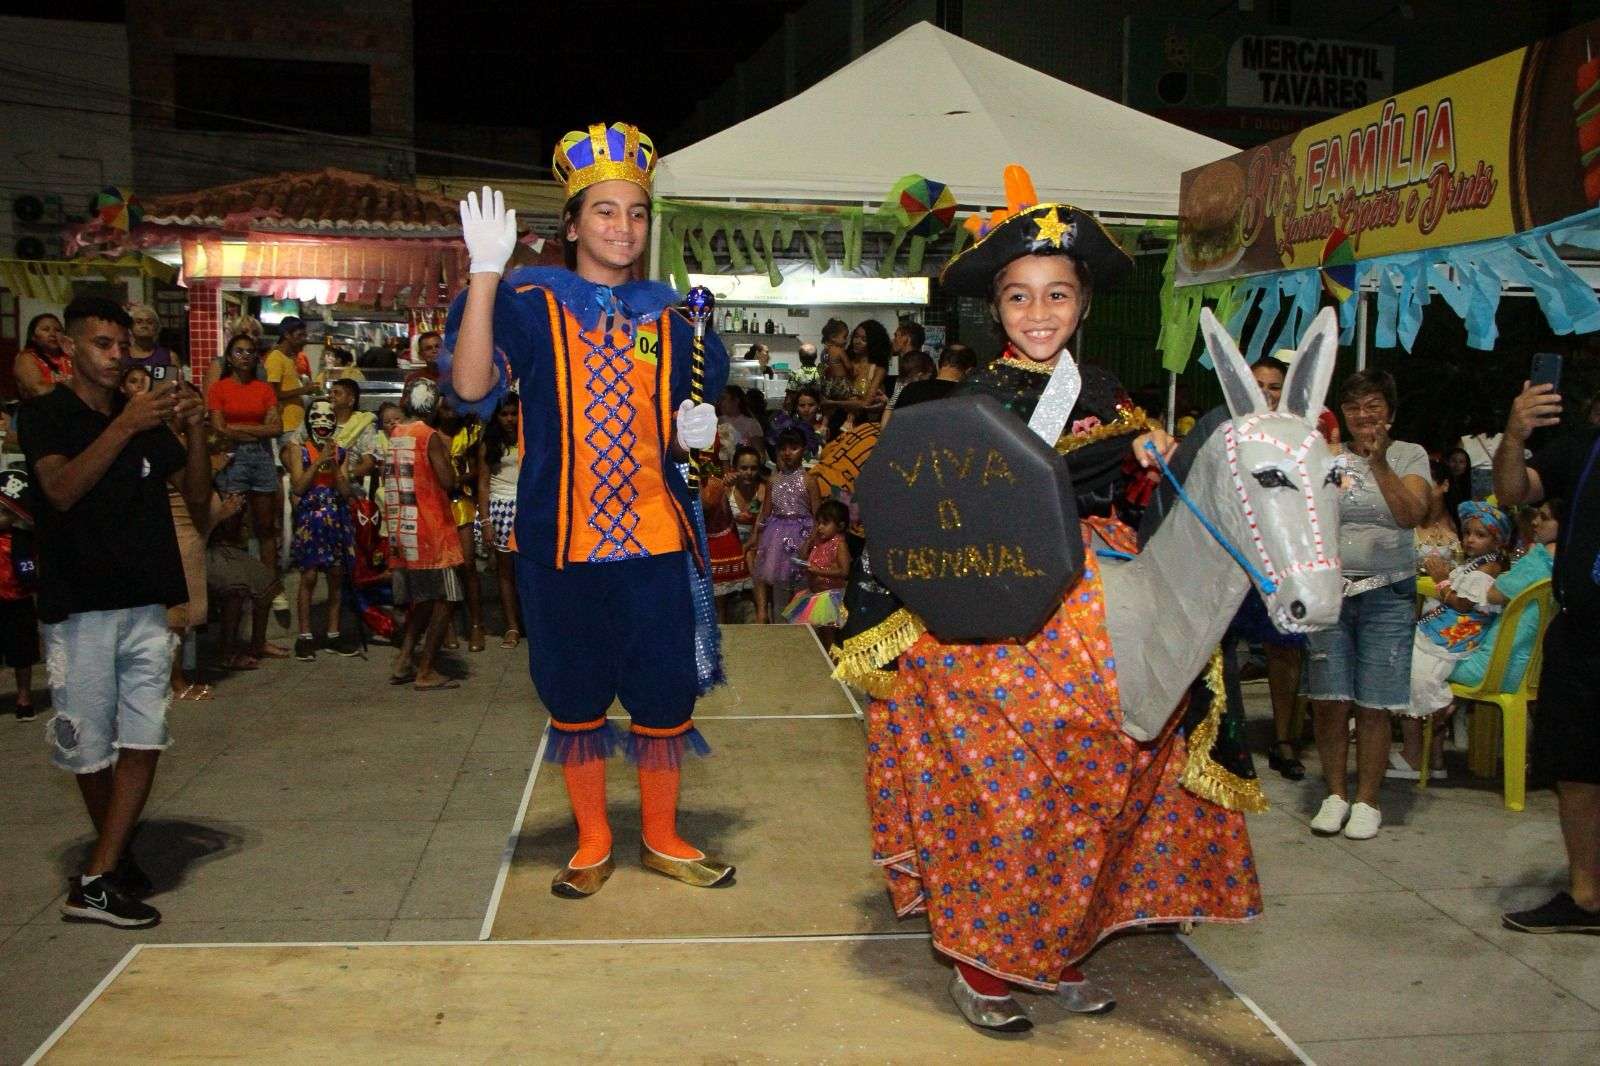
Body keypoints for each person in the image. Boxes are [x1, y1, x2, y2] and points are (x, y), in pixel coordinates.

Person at [840, 174, 1238, 1032]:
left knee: (1108, 786)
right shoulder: (967, 401)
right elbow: (927, 514)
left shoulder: (1109, 392)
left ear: (1082, 302)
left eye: (1057, 293)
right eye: (1019, 296)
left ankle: (1058, 947)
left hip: (1106, 589)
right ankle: (981, 965)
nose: (1039, 312)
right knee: (1007, 792)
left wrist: (1156, 456)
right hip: (998, 614)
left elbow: (1149, 505)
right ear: (996, 309)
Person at [445, 121, 733, 899]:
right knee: (572, 695)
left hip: (656, 541)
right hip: (561, 546)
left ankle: (663, 838)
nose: (623, 227)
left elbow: (687, 419)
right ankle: (594, 840)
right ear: (572, 225)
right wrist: (484, 273)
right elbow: (470, 388)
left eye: (636, 213)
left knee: (665, 693)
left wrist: (695, 432)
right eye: (604, 211)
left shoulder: (673, 318)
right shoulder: (530, 305)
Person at [18, 296, 210, 929]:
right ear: (69, 347)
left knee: (145, 736)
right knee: (89, 747)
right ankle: (110, 859)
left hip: (145, 600)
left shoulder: (142, 419)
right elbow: (61, 490)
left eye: (122, 345)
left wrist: (197, 428)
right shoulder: (46, 414)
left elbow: (198, 499)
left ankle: (100, 872)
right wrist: (125, 426)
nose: (116, 355)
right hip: (81, 607)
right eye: (102, 344)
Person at [1493, 378, 1600, 934]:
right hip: (1582, 636)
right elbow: (1513, 490)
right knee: (1577, 772)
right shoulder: (1584, 447)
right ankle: (1587, 899)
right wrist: (1514, 435)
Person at [1306, 370, 1431, 841]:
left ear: (1390, 412)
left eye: (1373, 406)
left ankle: (1367, 801)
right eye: (1354, 407)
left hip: (1388, 593)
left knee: (1374, 703)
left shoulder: (1409, 455)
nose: (1364, 416)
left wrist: (1378, 464)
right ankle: (1335, 794)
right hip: (1331, 593)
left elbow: (1411, 514)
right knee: (1329, 700)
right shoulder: (1328, 457)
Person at [1393, 501, 1510, 778]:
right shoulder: (1477, 564)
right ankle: (1434, 757)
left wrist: (1441, 579)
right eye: (1467, 532)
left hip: (1453, 636)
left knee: (1411, 673)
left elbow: (1462, 604)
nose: (1470, 539)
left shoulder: (1488, 568)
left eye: (1480, 535)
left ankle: (1413, 754)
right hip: (1448, 630)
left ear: (1497, 541)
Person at [121, 366, 211, 704]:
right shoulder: (151, 435)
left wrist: (198, 428)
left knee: (181, 614)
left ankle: (172, 678)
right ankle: (174, 681)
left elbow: (200, 492)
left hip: (190, 529)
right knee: (173, 615)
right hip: (171, 530)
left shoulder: (178, 438)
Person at [383, 378, 462, 691]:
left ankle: (404, 660)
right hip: (432, 530)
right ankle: (426, 670)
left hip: (404, 529)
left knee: (425, 600)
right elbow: (447, 481)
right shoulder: (429, 436)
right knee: (447, 599)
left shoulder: (397, 433)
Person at [287, 397, 359, 660]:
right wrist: (318, 462)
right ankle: (305, 636)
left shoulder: (341, 451)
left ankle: (333, 634)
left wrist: (336, 464)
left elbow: (346, 491)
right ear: (308, 421)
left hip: (335, 516)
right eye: (317, 417)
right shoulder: (299, 449)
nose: (323, 422)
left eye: (329, 417)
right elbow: (298, 487)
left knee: (336, 577)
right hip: (311, 518)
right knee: (308, 577)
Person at [208, 334, 283, 580]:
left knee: (266, 525)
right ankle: (235, 581)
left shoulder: (264, 389)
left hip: (261, 457)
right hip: (232, 457)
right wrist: (257, 429)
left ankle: (269, 583)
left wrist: (236, 428)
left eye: (250, 351)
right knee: (231, 523)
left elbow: (276, 428)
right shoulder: (219, 388)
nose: (245, 356)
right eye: (239, 351)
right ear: (229, 358)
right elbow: (218, 428)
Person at [205, 500, 285, 671]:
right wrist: (221, 516)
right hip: (202, 548)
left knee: (264, 578)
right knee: (235, 587)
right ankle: (227, 653)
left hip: (225, 548)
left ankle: (258, 643)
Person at [752, 428, 815, 624]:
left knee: (801, 588)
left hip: (802, 536)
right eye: (783, 448)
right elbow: (765, 513)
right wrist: (758, 538)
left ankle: (801, 630)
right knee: (779, 586)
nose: (787, 453)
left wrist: (809, 543)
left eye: (794, 448)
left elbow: (818, 515)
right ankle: (780, 629)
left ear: (803, 450)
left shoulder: (809, 480)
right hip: (776, 539)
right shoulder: (773, 480)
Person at [437, 400, 486, 652]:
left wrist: (459, 478)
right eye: (445, 406)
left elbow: (478, 469)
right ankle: (447, 626)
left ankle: (476, 624)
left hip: (461, 502)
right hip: (436, 505)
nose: (450, 411)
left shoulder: (468, 432)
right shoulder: (430, 433)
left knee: (468, 564)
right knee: (443, 567)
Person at [478, 394, 523, 648]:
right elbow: (483, 484)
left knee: (528, 571)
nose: (509, 419)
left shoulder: (530, 438)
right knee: (505, 573)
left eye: (513, 413)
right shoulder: (490, 443)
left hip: (527, 507)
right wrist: (485, 522)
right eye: (504, 414)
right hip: (501, 508)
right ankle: (512, 626)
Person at [0, 468, 40, 721]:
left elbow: (30, 571)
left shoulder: (23, 539)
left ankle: (24, 696)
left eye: (5, 512)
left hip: (17, 601)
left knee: (22, 653)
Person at [781, 497, 850, 644]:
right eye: (818, 523)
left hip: (830, 597)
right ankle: (822, 654)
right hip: (815, 594)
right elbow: (804, 556)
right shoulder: (819, 542)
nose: (820, 527)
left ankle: (830, 657)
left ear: (840, 526)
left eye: (825, 524)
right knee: (818, 634)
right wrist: (809, 543)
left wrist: (819, 571)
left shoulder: (839, 544)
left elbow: (844, 571)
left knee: (829, 635)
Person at [701, 457, 753, 622]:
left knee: (719, 605)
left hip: (721, 542)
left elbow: (707, 505)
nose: (748, 472)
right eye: (744, 468)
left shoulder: (717, 484)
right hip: (703, 541)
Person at [263, 316, 314, 447]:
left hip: (296, 424)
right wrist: (303, 390)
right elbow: (272, 394)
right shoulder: (276, 358)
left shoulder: (288, 358)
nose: (304, 340)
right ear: (287, 335)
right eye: (300, 335)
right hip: (287, 425)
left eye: (305, 335)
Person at [15, 312, 71, 399]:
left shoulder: (71, 356)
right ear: (33, 337)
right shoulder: (27, 358)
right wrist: (72, 385)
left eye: (58, 330)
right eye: (46, 330)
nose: (53, 334)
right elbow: (38, 390)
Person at [765, 386, 824, 456]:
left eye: (811, 405)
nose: (806, 409)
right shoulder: (788, 426)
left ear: (818, 405)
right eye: (802, 405)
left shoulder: (826, 426)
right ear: (796, 407)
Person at [122, 305, 177, 376]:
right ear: (131, 327)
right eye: (139, 322)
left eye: (150, 322)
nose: (144, 326)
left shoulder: (169, 357)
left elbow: (173, 381)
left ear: (157, 327)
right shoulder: (122, 355)